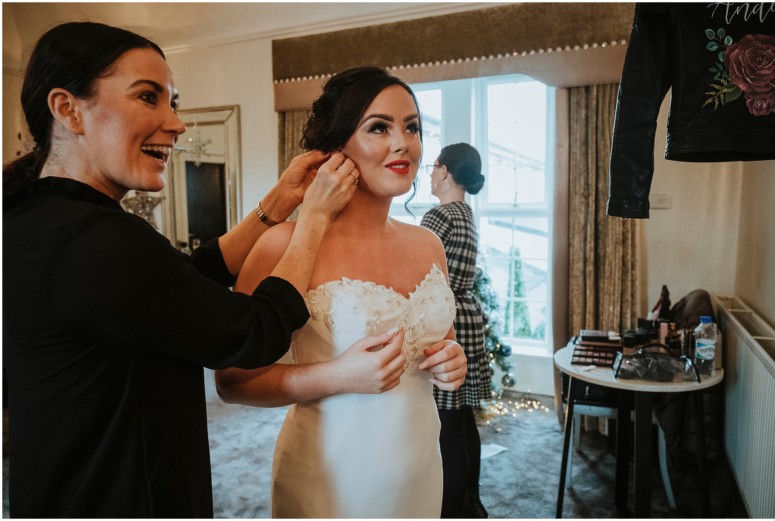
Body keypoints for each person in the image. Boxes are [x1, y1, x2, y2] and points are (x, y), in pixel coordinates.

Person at [2, 22, 364, 518]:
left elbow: (178, 285)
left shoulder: (35, 217)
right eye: (148, 97)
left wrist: (278, 203)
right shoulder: (96, 239)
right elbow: (257, 331)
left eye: (173, 102)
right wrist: (314, 221)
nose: (175, 123)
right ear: (68, 110)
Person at [215, 66, 469, 518]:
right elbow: (232, 381)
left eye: (412, 127)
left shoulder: (429, 244)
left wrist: (452, 357)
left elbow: (438, 341)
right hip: (329, 479)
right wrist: (336, 376)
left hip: (419, 469)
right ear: (335, 149)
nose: (402, 143)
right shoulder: (281, 246)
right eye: (379, 127)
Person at [421, 143, 492, 518]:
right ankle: (471, 501)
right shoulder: (465, 213)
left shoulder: (439, 216)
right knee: (463, 420)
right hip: (466, 315)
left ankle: (451, 510)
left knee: (446, 424)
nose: (430, 175)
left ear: (445, 172)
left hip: (447, 319)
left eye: (433, 168)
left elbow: (416, 274)